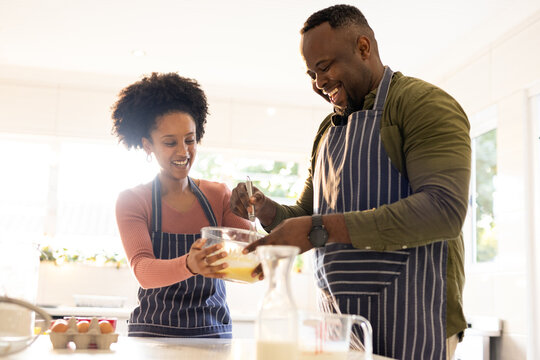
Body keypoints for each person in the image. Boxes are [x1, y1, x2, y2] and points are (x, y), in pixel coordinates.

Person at [230, 5, 469, 360]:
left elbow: (443, 211)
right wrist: (266, 209)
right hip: (339, 324)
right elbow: (305, 215)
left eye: (324, 67)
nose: (318, 82)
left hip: (416, 317)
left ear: (363, 47)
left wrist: (318, 229)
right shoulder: (328, 131)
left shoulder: (421, 104)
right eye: (311, 73)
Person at [112, 72, 250, 338]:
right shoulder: (133, 201)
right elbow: (142, 270)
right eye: (169, 142)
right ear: (147, 145)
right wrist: (190, 264)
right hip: (152, 337)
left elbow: (253, 266)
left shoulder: (219, 195)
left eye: (190, 139)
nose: (183, 152)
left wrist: (254, 215)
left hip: (213, 336)